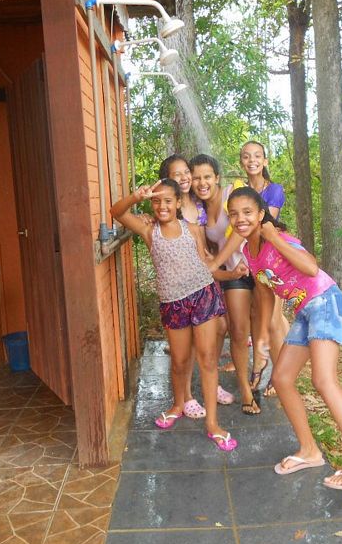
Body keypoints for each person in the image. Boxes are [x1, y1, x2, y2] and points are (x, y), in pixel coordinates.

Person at [226, 187, 342, 489]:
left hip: (325, 301)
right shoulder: (248, 251)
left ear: (261, 214)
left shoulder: (279, 238)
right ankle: (309, 450)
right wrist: (262, 336)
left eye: (247, 212)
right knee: (282, 378)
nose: (240, 218)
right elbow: (265, 293)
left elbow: (311, 268)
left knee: (323, 380)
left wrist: (274, 238)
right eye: (233, 214)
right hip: (305, 310)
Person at [110, 179, 237, 451]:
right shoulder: (148, 230)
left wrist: (228, 275)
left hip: (202, 296)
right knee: (179, 361)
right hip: (173, 304)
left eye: (168, 200)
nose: (162, 206)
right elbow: (116, 212)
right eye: (156, 201)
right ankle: (178, 404)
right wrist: (136, 197)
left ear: (178, 202)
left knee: (207, 359)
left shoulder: (192, 229)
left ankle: (212, 423)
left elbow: (206, 264)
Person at [158, 155, 234, 415]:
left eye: (186, 172)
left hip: (205, 277)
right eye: (177, 174)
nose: (184, 178)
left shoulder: (198, 202)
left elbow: (205, 238)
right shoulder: (170, 206)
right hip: (181, 285)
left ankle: (212, 383)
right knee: (187, 343)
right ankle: (187, 396)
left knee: (218, 329)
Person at [190, 154, 260, 415]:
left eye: (207, 176)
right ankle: (245, 389)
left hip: (258, 266)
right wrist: (214, 262)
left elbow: (241, 230)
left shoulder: (232, 194)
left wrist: (215, 262)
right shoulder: (198, 209)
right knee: (239, 332)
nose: (202, 182)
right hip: (233, 273)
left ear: (217, 178)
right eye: (196, 177)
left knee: (270, 326)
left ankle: (275, 378)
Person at [239, 141, 290, 398]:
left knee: (273, 320)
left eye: (257, 156)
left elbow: (263, 223)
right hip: (250, 257)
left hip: (271, 259)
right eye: (247, 157)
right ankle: (268, 366)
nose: (252, 161)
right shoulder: (239, 189)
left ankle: (280, 376)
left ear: (265, 161)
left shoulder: (275, 190)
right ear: (241, 162)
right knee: (259, 315)